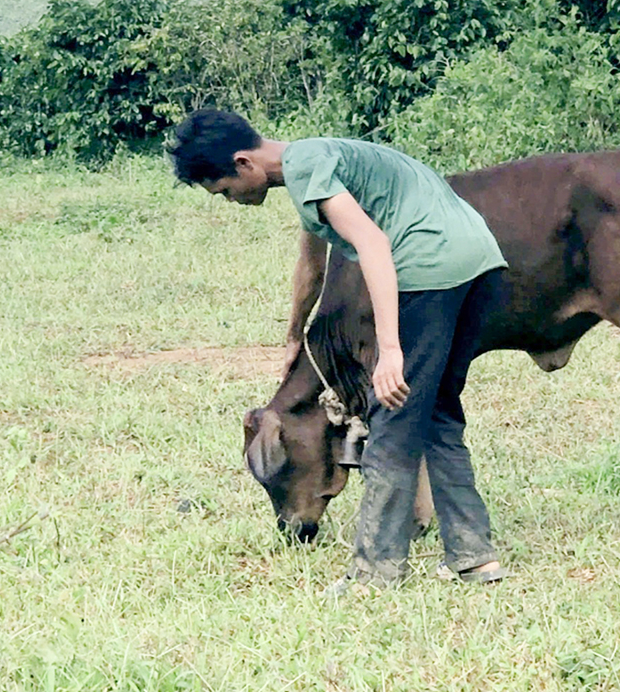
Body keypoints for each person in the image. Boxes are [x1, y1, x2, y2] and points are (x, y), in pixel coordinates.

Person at [167, 109, 509, 592]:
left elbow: (371, 243)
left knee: (391, 420)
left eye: (224, 190)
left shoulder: (308, 170)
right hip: (477, 261)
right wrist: (293, 336)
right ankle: (475, 558)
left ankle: (374, 573)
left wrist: (390, 350)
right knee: (438, 415)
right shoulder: (314, 158)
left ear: (244, 163)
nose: (230, 201)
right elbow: (313, 268)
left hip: (430, 267)